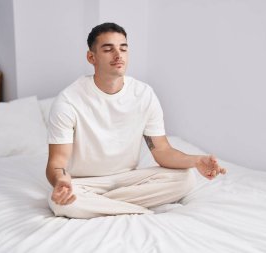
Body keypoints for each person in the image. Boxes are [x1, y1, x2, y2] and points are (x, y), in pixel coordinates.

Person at [46, 22, 226, 219]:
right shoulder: (68, 101)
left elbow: (162, 151)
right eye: (108, 49)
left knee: (186, 179)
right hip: (85, 182)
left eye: (123, 48)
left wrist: (197, 160)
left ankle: (103, 205)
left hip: (128, 178)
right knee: (60, 203)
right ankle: (140, 210)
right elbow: (58, 160)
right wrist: (61, 180)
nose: (118, 55)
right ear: (92, 57)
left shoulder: (144, 94)